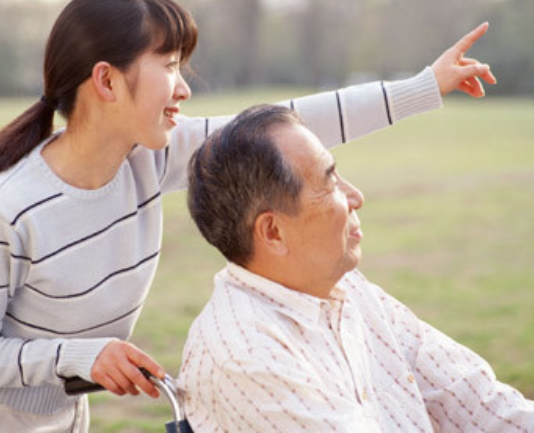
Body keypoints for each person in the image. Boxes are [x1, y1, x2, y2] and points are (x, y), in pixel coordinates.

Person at [0, 0, 494, 432]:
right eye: (168, 66)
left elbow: (281, 125)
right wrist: (83, 356)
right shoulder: (5, 211)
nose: (183, 87)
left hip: (68, 416)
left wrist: (424, 86)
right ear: (107, 81)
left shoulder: (152, 158)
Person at [180, 104, 534, 432]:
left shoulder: (348, 291)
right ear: (273, 232)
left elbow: (476, 399)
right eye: (329, 181)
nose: (355, 196)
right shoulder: (246, 352)